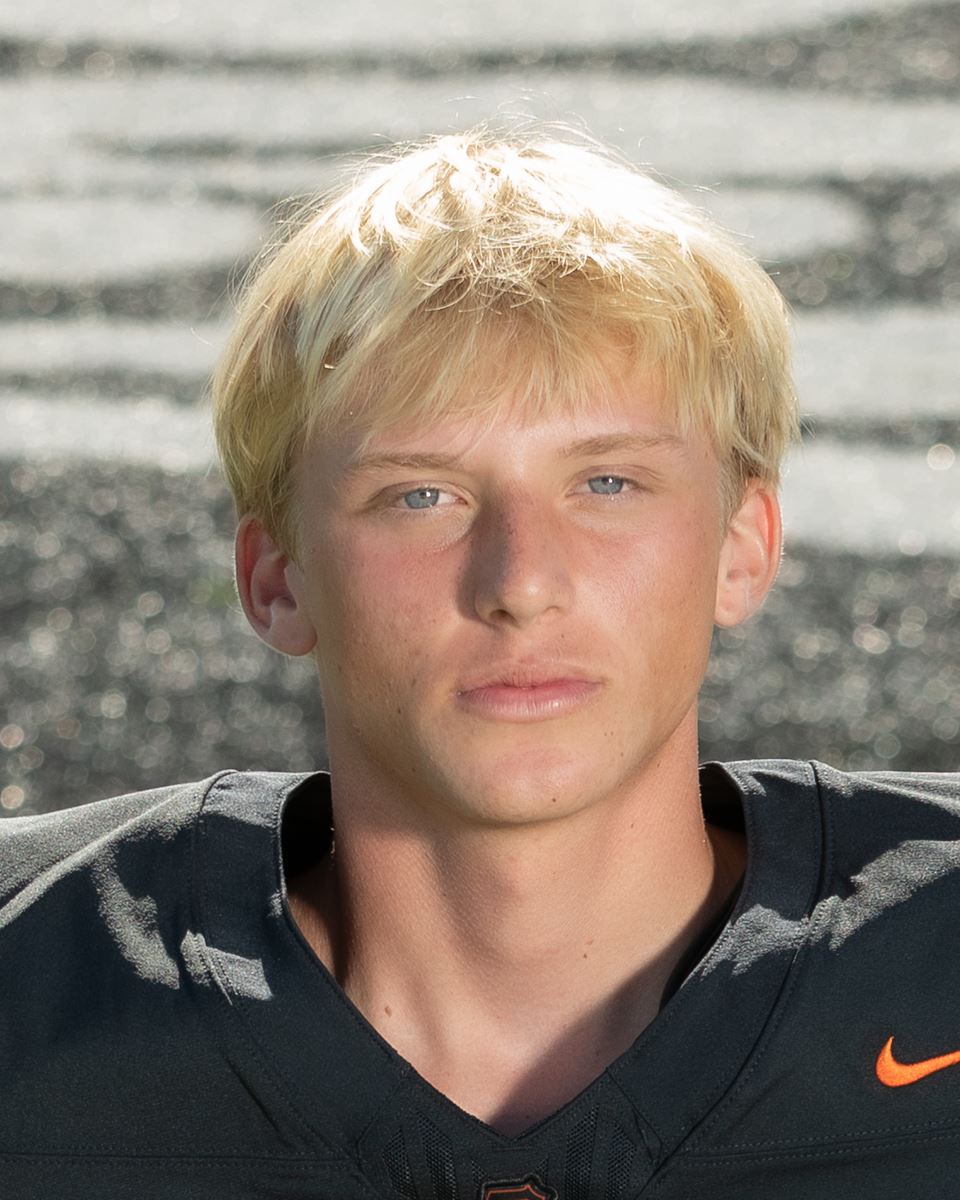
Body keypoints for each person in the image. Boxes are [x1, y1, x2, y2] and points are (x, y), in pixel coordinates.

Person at [1, 126, 958, 1200]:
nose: (521, 581)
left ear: (743, 547)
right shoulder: (30, 982)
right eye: (421, 495)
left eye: (607, 483)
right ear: (277, 578)